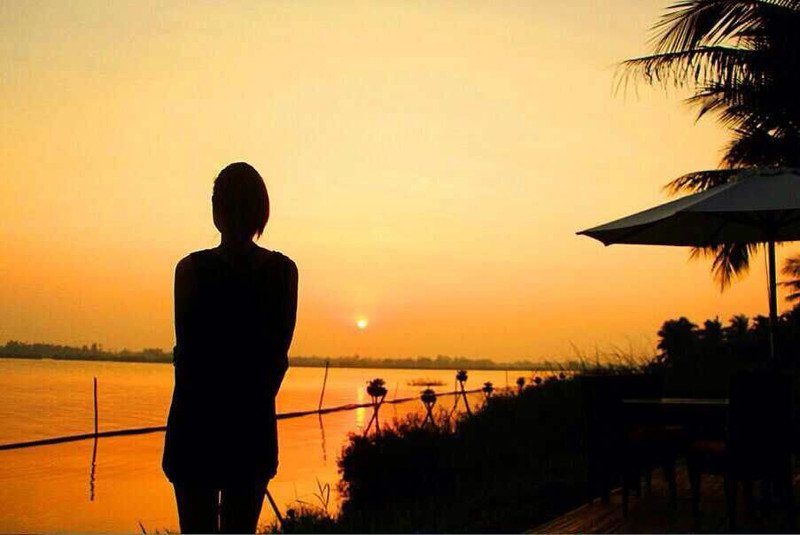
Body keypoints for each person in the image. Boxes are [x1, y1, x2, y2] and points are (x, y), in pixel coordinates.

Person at [162, 162, 298, 533]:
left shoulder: (190, 270)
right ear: (262, 211)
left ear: (216, 210)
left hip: (194, 431)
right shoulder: (283, 272)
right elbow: (276, 360)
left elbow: (187, 359)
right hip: (251, 431)